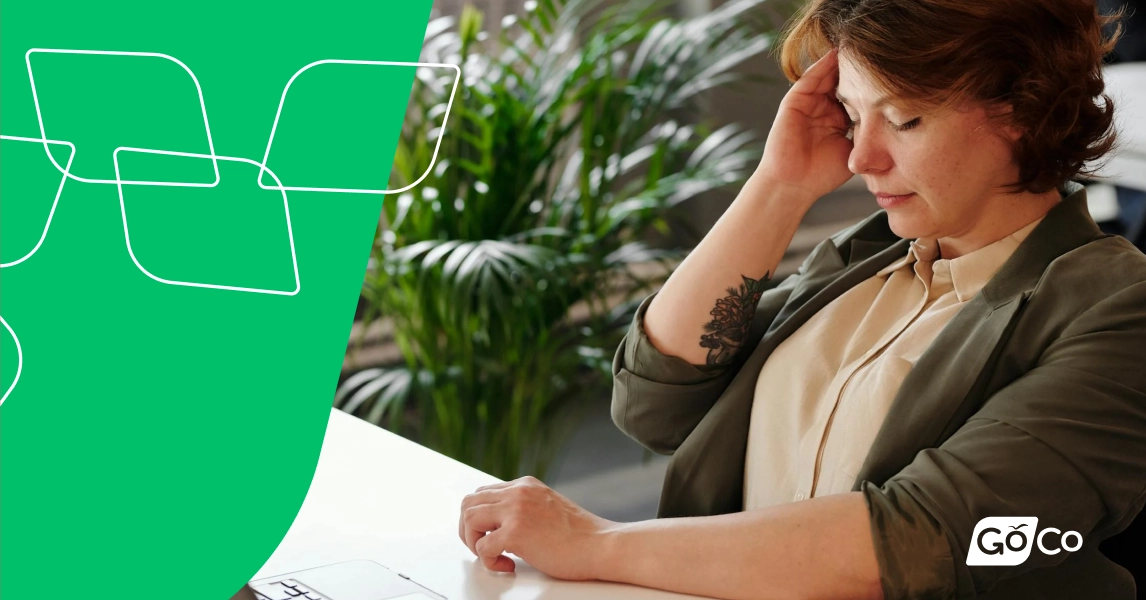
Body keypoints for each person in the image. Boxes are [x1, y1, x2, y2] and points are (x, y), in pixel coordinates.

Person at [457, 1, 1146, 598]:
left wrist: (595, 542)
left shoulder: (1115, 307)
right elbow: (655, 403)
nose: (860, 158)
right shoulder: (866, 257)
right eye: (852, 114)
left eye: (904, 119)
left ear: (1026, 107)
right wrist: (779, 185)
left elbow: (919, 540)